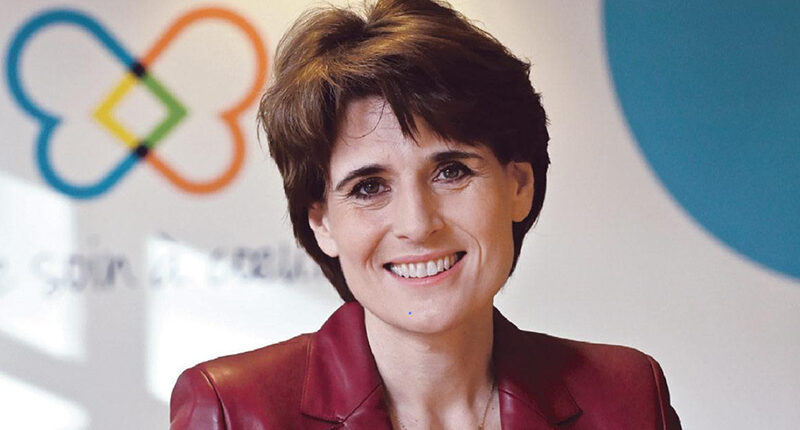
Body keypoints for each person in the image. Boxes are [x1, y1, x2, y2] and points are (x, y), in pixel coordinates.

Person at [170, 0, 682, 428]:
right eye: (369, 187)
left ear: (519, 186)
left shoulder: (627, 397)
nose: (418, 224)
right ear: (321, 222)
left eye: (451, 171)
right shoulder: (234, 411)